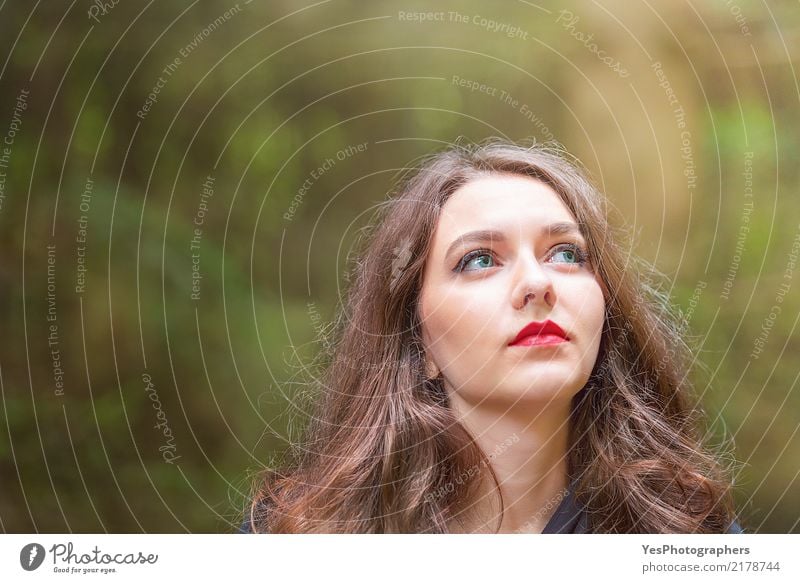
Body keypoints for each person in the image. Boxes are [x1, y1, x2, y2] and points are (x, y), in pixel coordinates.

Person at [239, 138, 743, 534]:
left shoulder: (688, 535)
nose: (537, 284)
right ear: (417, 342)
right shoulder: (299, 540)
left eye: (566, 254)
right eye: (480, 260)